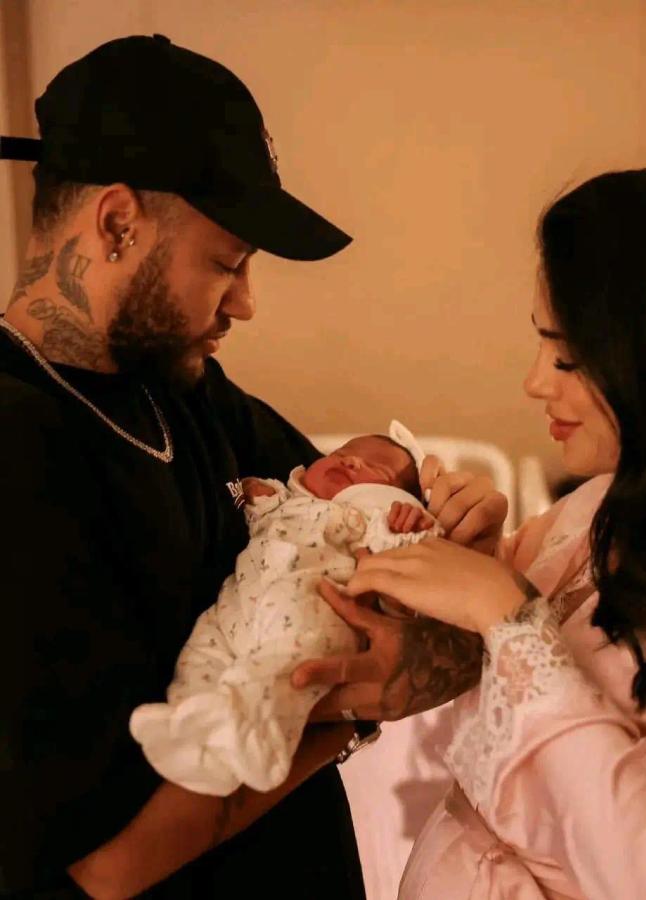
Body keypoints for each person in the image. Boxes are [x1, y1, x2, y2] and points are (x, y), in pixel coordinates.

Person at [0, 35, 504, 898]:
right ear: (117, 223)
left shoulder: (192, 393)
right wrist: (348, 712)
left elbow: (423, 620)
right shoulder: (20, 447)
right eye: (225, 264)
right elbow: (108, 865)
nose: (245, 301)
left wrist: (464, 547)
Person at [300, 167, 646, 898]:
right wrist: (481, 555)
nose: (535, 382)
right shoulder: (597, 507)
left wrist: (506, 612)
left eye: (567, 357)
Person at [129, 429, 440, 797]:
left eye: (378, 469)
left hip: (314, 614)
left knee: (278, 675)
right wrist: (254, 494)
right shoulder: (285, 501)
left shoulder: (377, 520)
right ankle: (190, 726)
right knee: (204, 650)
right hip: (239, 607)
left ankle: (262, 747)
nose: (352, 461)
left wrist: (411, 527)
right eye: (343, 453)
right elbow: (250, 512)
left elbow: (410, 581)